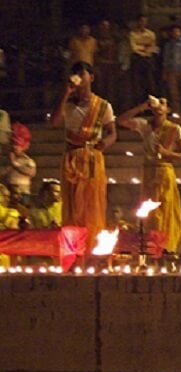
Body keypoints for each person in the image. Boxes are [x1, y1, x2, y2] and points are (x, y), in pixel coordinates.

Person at [50, 61, 117, 249]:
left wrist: (106, 142)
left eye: (82, 74)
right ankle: (73, 250)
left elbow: (112, 132)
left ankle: (92, 248)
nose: (79, 78)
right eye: (75, 74)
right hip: (71, 158)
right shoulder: (68, 105)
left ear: (91, 77)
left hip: (92, 159)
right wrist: (66, 93)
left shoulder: (103, 106)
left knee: (91, 205)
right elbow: (54, 122)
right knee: (72, 206)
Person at [117, 97, 181, 254]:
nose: (159, 106)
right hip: (149, 172)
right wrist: (141, 107)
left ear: (168, 110)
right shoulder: (145, 126)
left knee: (166, 210)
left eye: (163, 103)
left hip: (165, 172)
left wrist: (166, 153)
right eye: (158, 103)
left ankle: (166, 247)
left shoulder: (175, 129)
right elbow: (121, 120)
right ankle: (150, 246)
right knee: (149, 212)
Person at [129, 15, 158, 107]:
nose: (142, 23)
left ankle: (152, 106)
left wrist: (142, 47)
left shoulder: (151, 34)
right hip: (137, 60)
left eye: (144, 21)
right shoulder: (133, 34)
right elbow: (134, 48)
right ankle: (139, 107)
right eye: (141, 21)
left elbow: (152, 47)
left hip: (148, 61)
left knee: (150, 84)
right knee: (137, 85)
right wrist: (145, 47)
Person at [3, 123, 36, 202]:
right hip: (8, 190)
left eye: (17, 145)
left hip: (23, 192)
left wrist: (15, 164)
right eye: (13, 144)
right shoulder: (6, 160)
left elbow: (31, 172)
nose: (14, 147)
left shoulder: (28, 160)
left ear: (23, 146)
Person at [95, 20, 120, 106]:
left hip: (112, 66)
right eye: (103, 26)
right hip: (102, 66)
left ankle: (111, 106)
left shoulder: (113, 39)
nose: (105, 28)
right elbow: (95, 54)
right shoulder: (97, 40)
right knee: (101, 87)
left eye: (107, 26)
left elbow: (116, 52)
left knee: (111, 87)